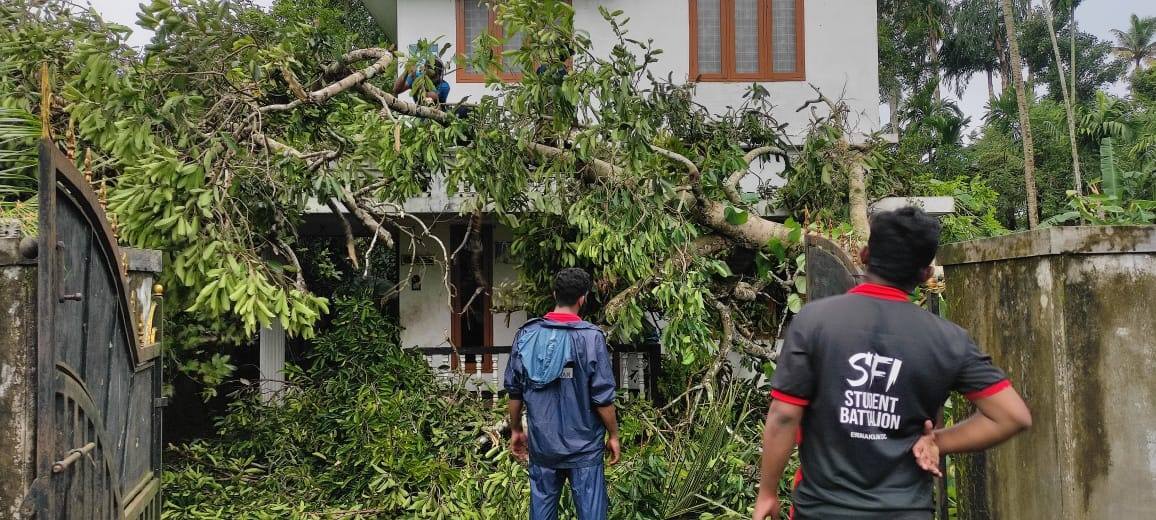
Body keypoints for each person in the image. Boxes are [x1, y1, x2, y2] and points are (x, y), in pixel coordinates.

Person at [753, 206, 1033, 520]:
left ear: (865, 255)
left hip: (821, 511)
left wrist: (767, 493)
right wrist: (938, 442)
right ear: (926, 274)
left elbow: (784, 416)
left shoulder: (813, 321)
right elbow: (1012, 416)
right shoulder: (949, 340)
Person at [504, 268, 621, 520]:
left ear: (554, 294)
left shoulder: (527, 334)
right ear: (583, 298)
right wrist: (613, 435)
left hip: (543, 447)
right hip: (585, 449)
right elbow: (602, 398)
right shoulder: (591, 338)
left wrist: (515, 430)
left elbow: (515, 392)